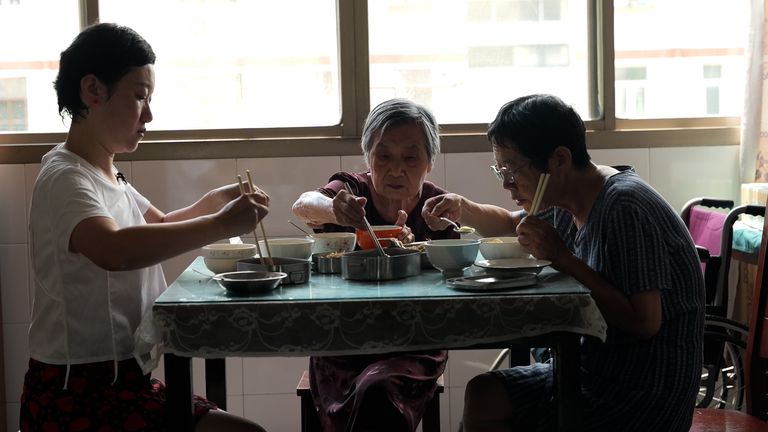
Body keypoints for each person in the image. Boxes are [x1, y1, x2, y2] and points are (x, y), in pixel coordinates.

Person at [20, 23, 269, 432]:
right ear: (93, 91)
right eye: (139, 97)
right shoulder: (65, 177)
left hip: (124, 380)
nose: (149, 114)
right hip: (77, 392)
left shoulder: (107, 174)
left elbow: (163, 224)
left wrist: (218, 201)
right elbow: (114, 250)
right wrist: (220, 223)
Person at [423, 94, 704, 431]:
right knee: (484, 394)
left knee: (488, 400)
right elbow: (515, 225)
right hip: (593, 370)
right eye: (501, 169)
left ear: (559, 159)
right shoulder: (568, 196)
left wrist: (563, 258)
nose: (505, 182)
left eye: (512, 168)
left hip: (639, 393)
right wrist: (462, 206)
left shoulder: (624, 206)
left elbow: (645, 322)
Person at [291, 98, 457, 431]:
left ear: (429, 163)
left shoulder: (435, 207)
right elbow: (303, 205)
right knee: (368, 395)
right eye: (384, 156)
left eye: (410, 157)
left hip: (414, 343)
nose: (396, 169)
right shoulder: (351, 191)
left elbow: (454, 275)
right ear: (368, 157)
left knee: (378, 392)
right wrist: (334, 211)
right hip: (343, 343)